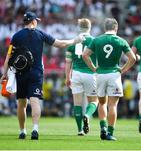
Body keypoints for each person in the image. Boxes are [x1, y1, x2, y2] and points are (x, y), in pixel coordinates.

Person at [0, 11, 83, 140]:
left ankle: (22, 131)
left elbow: (8, 57)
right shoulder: (40, 34)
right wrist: (75, 40)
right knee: (35, 101)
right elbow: (60, 44)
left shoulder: (16, 36)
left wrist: (4, 74)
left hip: (20, 73)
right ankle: (35, 129)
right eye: (36, 20)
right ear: (33, 21)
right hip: (36, 73)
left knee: (21, 104)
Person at [82, 18, 136, 140]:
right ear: (116, 28)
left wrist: (93, 68)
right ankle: (110, 133)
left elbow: (85, 55)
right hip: (114, 74)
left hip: (100, 74)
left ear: (105, 28)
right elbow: (132, 58)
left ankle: (103, 129)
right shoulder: (121, 41)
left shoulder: (97, 40)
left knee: (102, 103)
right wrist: (123, 69)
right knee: (113, 105)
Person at [65, 18, 98, 136]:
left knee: (77, 104)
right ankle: (87, 115)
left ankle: (80, 130)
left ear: (79, 28)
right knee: (94, 101)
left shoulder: (73, 42)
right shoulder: (95, 41)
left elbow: (68, 62)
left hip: (76, 74)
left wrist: (67, 77)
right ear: (90, 28)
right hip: (90, 74)